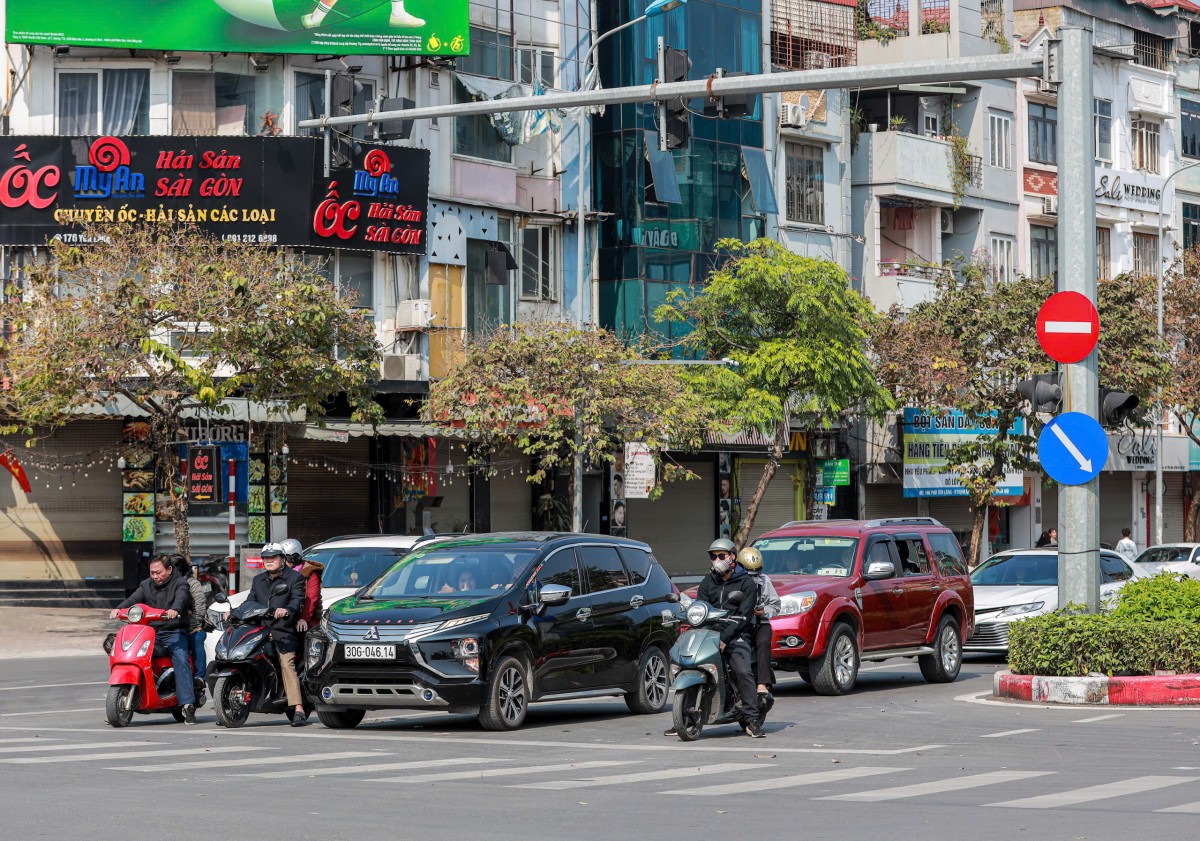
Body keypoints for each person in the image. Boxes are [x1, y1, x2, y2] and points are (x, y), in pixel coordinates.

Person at [667, 538, 762, 738]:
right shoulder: (708, 582)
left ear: (732, 557)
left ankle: (753, 719)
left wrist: (725, 637)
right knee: (686, 661)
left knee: (742, 669)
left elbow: (744, 616)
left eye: (721, 556)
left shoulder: (746, 583)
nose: (716, 560)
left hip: (737, 632)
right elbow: (700, 607)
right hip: (709, 631)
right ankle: (683, 718)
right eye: (713, 556)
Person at [109, 554, 197, 724]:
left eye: (159, 572)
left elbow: (181, 599)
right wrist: (118, 609)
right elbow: (132, 600)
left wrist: (174, 610)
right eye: (152, 573)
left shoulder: (180, 584)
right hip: (151, 631)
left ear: (169, 570)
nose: (155, 576)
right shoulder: (146, 585)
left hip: (174, 630)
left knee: (180, 659)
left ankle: (187, 705)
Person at [248, 543, 308, 726]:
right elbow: (250, 601)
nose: (269, 561)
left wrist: (287, 610)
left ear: (282, 559)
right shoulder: (258, 580)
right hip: (260, 631)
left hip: (283, 631)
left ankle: (298, 708)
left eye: (273, 557)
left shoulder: (295, 578)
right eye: (265, 558)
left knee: (286, 663)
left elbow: (297, 602)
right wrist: (233, 612)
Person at [737, 546, 781, 711]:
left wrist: (764, 612)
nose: (754, 578)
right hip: (738, 624)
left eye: (756, 574)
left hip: (759, 623)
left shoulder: (765, 581)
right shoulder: (734, 583)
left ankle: (762, 683)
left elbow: (776, 605)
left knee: (763, 641)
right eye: (750, 574)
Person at [173, 555, 208, 694]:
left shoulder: (193, 584)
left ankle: (200, 677)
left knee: (197, 639)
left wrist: (192, 626)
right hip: (171, 626)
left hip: (191, 626)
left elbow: (199, 608)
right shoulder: (166, 583)